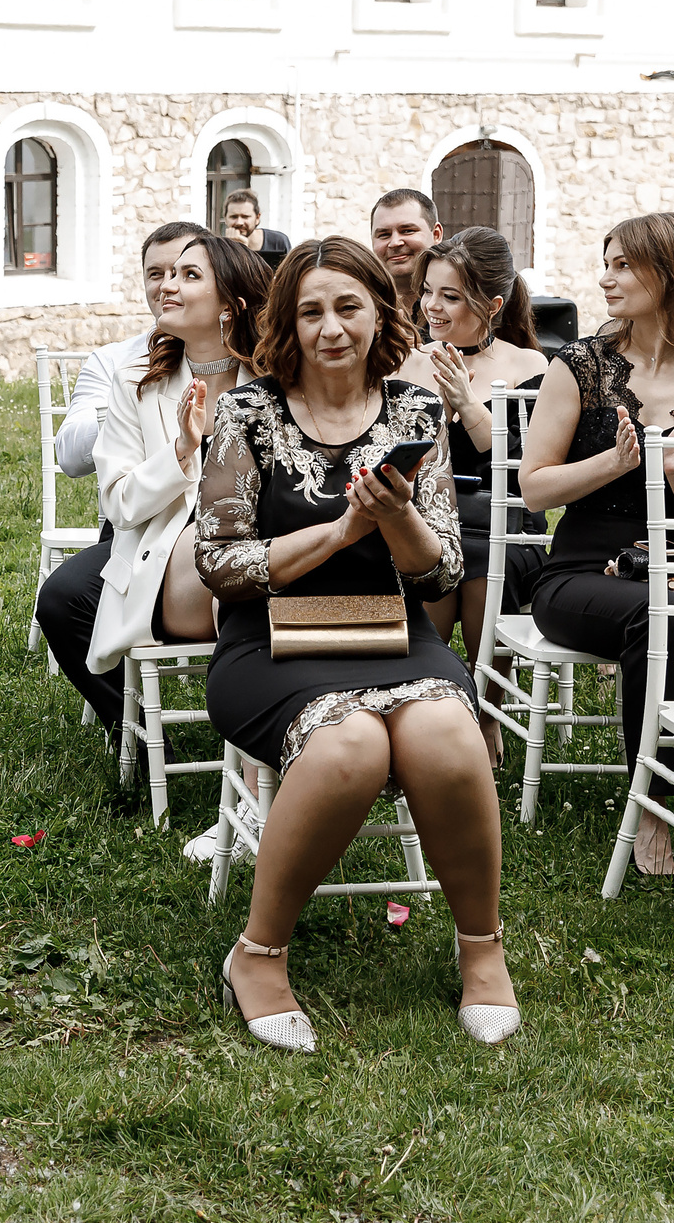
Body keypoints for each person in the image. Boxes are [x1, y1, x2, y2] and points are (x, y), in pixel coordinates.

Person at [196, 237, 515, 1052]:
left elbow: (441, 568)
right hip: (270, 642)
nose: (331, 328)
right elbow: (220, 562)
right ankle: (257, 953)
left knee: (448, 731)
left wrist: (396, 512)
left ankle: (482, 947)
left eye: (348, 307)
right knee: (349, 748)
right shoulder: (246, 414)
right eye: (310, 311)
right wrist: (340, 530)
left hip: (391, 629)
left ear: (381, 312)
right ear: (287, 323)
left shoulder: (414, 413)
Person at [521, 211, 674, 876]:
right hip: (577, 571)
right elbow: (536, 489)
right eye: (608, 262)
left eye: (624, 264)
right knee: (660, 618)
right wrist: (623, 464)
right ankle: (651, 812)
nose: (606, 278)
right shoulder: (580, 366)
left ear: (671, 273)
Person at [35, 220, 213, 730]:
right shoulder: (119, 363)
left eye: (183, 271)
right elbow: (71, 457)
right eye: (155, 273)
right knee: (64, 597)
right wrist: (126, 407)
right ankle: (130, 727)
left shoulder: (259, 366)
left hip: (224, 523)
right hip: (141, 525)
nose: (167, 285)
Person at [85, 235, 269, 685]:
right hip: (171, 566)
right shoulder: (137, 383)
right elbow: (119, 503)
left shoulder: (276, 380)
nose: (167, 286)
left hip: (269, 562)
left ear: (231, 305)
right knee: (216, 542)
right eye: (168, 274)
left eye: (189, 276)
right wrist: (181, 450)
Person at [397, 226, 551, 759]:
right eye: (428, 292)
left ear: (492, 304)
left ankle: (483, 707)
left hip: (508, 525)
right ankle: (442, 699)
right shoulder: (409, 365)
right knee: (440, 553)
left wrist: (465, 401)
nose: (431, 307)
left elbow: (528, 470)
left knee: (484, 559)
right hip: (433, 522)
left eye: (450, 296)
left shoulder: (530, 366)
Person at [369, 189, 443, 325]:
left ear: (436, 234)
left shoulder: (467, 301)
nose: (395, 243)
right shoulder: (362, 305)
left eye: (407, 231)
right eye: (384, 234)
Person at [222, 187, 290, 261]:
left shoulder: (278, 241)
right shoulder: (219, 248)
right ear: (225, 219)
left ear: (257, 218)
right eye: (233, 217)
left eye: (245, 217)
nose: (239, 222)